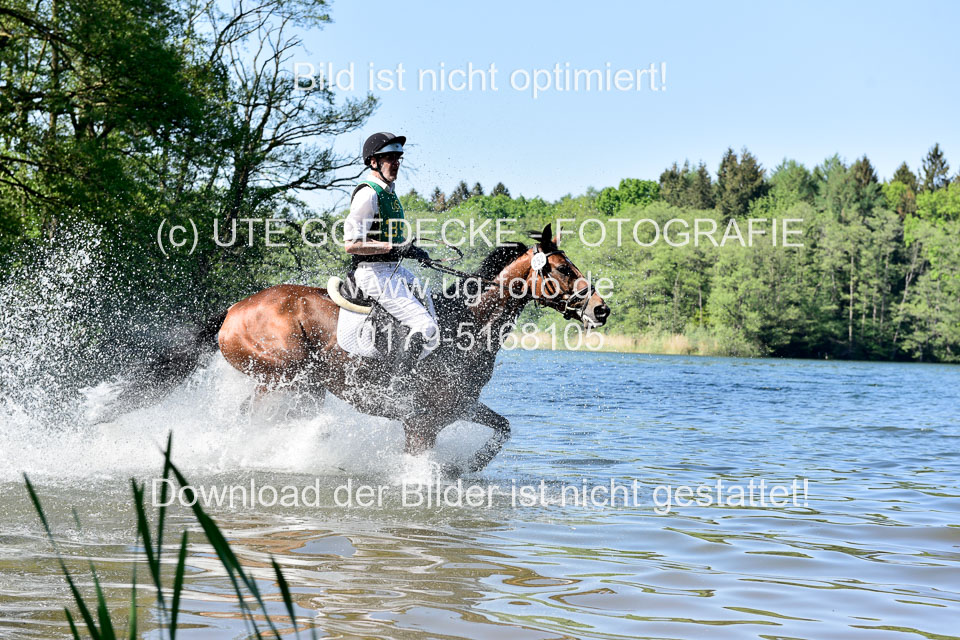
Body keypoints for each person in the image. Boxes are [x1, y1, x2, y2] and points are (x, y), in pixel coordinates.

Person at [344, 132, 439, 377]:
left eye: (398, 158)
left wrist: (411, 249)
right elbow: (351, 244)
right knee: (425, 325)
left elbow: (390, 238)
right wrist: (393, 248)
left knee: (432, 305)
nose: (395, 163)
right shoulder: (368, 193)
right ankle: (399, 385)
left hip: (392, 270)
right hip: (372, 273)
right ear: (373, 161)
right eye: (390, 158)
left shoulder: (390, 193)